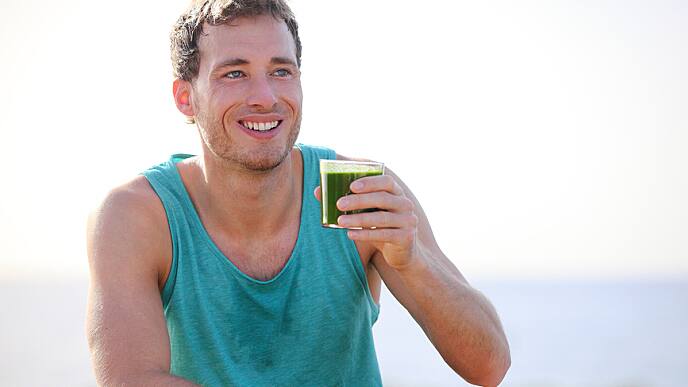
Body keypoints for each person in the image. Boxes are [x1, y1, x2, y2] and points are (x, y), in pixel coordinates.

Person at [85, 0, 511, 385]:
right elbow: (132, 381)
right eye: (235, 73)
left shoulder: (355, 190)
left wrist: (412, 261)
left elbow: (489, 365)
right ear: (185, 98)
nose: (265, 97)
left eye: (280, 71)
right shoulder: (138, 216)